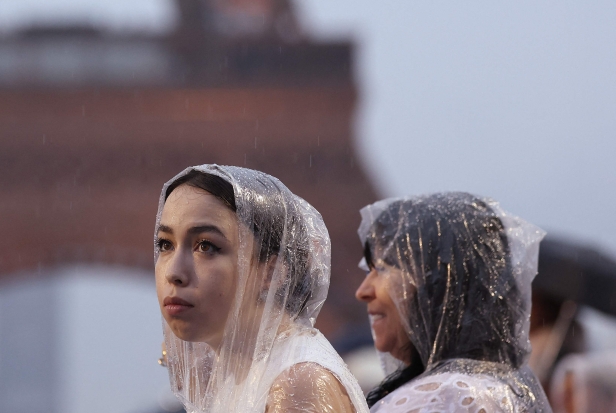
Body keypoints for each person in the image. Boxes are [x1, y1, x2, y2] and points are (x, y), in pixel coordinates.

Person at [154, 164, 368, 413]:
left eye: (206, 246)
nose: (173, 272)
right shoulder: (245, 377)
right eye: (165, 244)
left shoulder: (296, 386)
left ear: (272, 272)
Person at [355, 193, 552, 413]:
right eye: (368, 269)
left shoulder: (439, 398)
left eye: (382, 269)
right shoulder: (509, 385)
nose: (362, 292)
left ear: (441, 285)